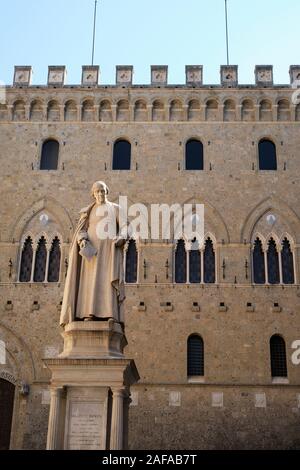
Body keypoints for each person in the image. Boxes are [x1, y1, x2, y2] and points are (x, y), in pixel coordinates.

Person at [60, 181, 127, 326]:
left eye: (103, 191)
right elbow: (81, 230)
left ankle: (110, 314)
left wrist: (121, 238)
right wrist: (82, 240)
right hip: (92, 253)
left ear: (107, 192)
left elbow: (125, 227)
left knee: (107, 281)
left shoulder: (115, 209)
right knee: (90, 282)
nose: (101, 194)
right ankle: (87, 313)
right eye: (98, 192)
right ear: (93, 194)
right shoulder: (88, 211)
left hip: (109, 251)